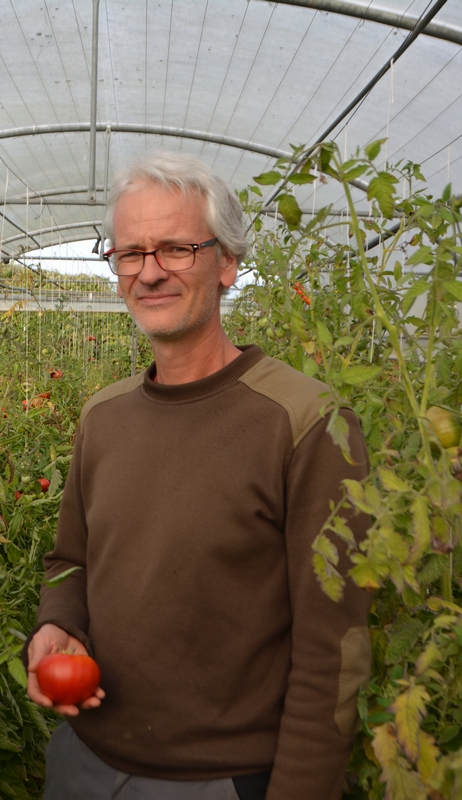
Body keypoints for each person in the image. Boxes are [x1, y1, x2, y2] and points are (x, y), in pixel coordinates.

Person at [25, 151, 372, 800]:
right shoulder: (103, 416)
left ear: (228, 264)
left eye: (177, 249)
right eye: (131, 253)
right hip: (82, 761)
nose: (150, 272)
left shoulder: (306, 420)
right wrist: (55, 625)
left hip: (221, 781)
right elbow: (69, 561)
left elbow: (334, 650)